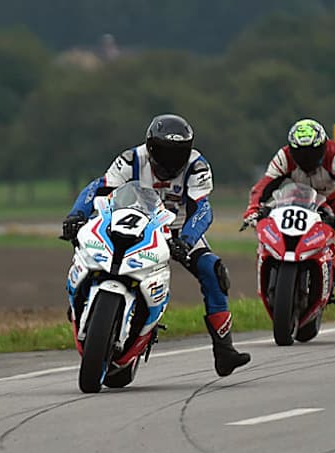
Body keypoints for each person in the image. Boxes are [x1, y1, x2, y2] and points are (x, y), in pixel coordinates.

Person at [61, 114, 251, 376]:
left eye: (179, 153)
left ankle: (224, 350)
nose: (172, 160)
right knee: (86, 245)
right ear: (150, 147)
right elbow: (99, 187)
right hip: (129, 221)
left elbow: (202, 210)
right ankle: (78, 304)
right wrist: (76, 215)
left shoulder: (197, 166)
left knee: (212, 269)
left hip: (177, 231)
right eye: (164, 152)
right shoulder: (130, 159)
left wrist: (185, 240)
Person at [243, 118, 335, 287]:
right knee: (265, 220)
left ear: (323, 145)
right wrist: (253, 209)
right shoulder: (284, 156)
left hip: (332, 201)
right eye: (300, 152)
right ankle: (270, 267)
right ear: (292, 149)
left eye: (312, 151)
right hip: (295, 198)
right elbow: (263, 186)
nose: (306, 157)